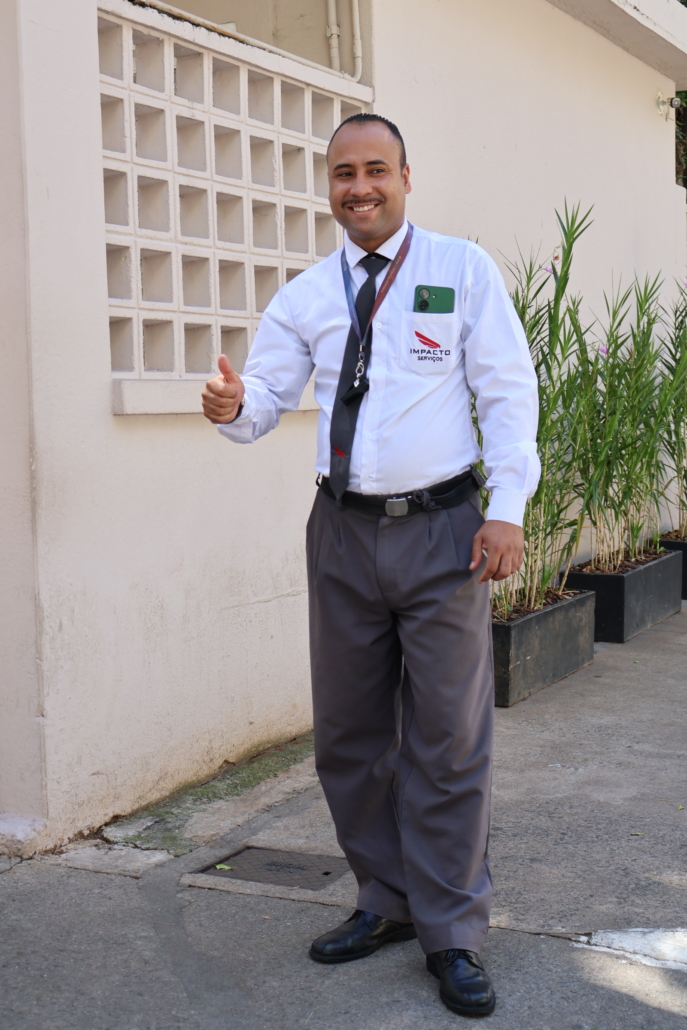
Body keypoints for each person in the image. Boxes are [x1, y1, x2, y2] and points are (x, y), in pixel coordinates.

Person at [202, 113, 540, 1019]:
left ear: (405, 177)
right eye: (344, 173)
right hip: (343, 533)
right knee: (349, 737)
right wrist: (232, 405)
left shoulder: (459, 270)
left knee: (448, 738)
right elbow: (264, 399)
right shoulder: (306, 295)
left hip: (444, 532)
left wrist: (506, 508)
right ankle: (385, 901)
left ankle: (452, 930)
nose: (360, 188)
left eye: (376, 170)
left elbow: (507, 391)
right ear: (329, 186)